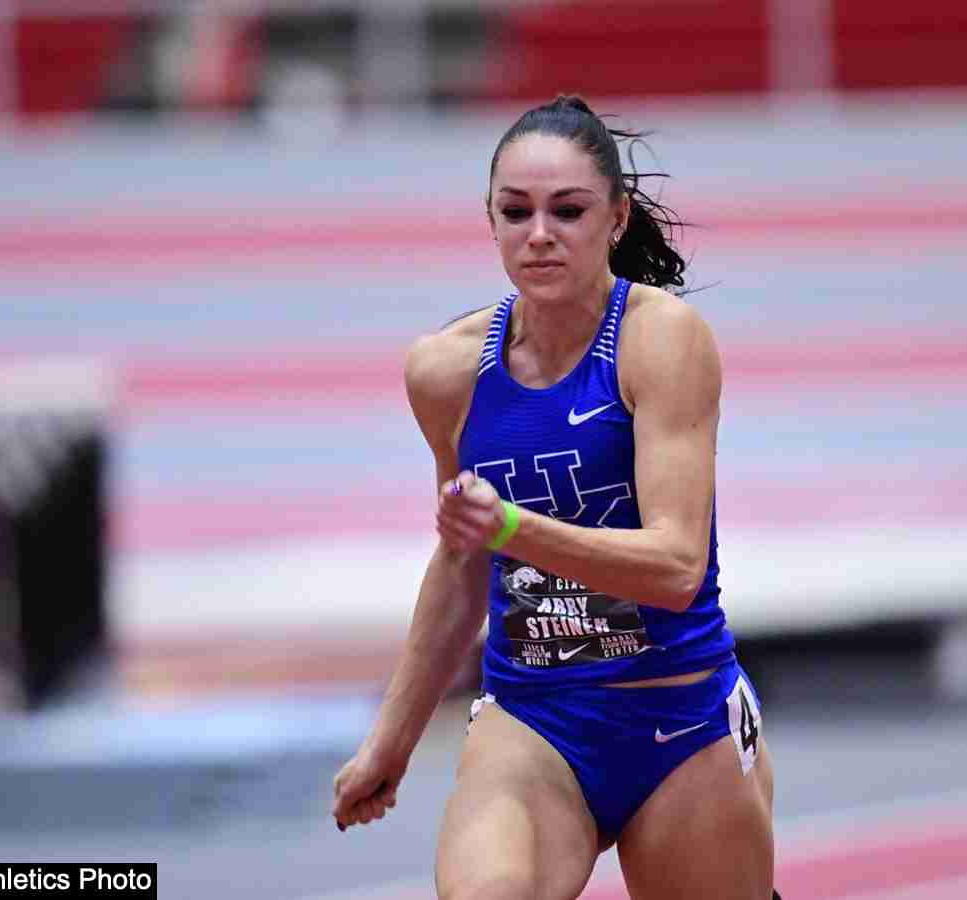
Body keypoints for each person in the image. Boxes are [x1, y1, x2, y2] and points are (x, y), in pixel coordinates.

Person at [332, 95, 776, 900]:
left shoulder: (662, 341)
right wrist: (389, 745)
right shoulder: (447, 370)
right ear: (491, 220)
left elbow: (676, 565)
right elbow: (462, 566)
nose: (539, 233)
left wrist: (509, 524)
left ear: (616, 218)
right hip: (533, 716)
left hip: (676, 715)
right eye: (516, 211)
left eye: (567, 211)